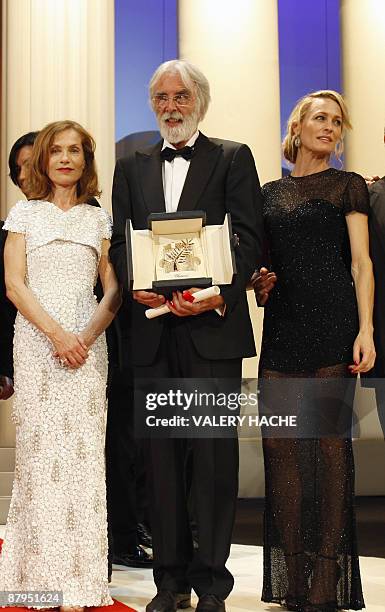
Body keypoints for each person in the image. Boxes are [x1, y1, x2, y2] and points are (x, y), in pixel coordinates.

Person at [110, 59, 263, 612]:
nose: (170, 106)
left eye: (179, 96)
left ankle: (211, 586)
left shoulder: (232, 156)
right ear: (152, 104)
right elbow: (121, 242)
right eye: (160, 98)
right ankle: (168, 584)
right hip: (152, 334)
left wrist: (222, 291)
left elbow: (248, 237)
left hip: (212, 331)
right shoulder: (131, 165)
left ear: (199, 100)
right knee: (160, 462)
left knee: (214, 462)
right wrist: (136, 285)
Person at [254, 91, 375, 612]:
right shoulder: (266, 193)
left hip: (333, 329)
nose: (330, 127)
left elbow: (362, 264)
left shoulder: (348, 186)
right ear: (298, 126)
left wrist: (366, 329)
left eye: (337, 122)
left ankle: (328, 577)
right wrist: (260, 285)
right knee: (282, 451)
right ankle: (293, 578)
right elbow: (260, 270)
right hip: (282, 331)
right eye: (320, 119)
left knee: (329, 451)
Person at [0, 119, 121, 610]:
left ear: (86, 161)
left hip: (87, 349)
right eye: (57, 151)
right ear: (44, 159)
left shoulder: (99, 220)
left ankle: (83, 582)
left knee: (85, 460)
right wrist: (56, 335)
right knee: (39, 457)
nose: (66, 159)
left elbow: (112, 288)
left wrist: (85, 337)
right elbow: (14, 284)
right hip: (36, 345)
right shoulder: (23, 214)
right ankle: (37, 578)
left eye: (76, 151)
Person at [0, 132, 39, 400]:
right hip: (29, 352)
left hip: (85, 349)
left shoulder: (93, 218)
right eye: (18, 169)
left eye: (31, 164)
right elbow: (5, 305)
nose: (23, 177)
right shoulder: (9, 230)